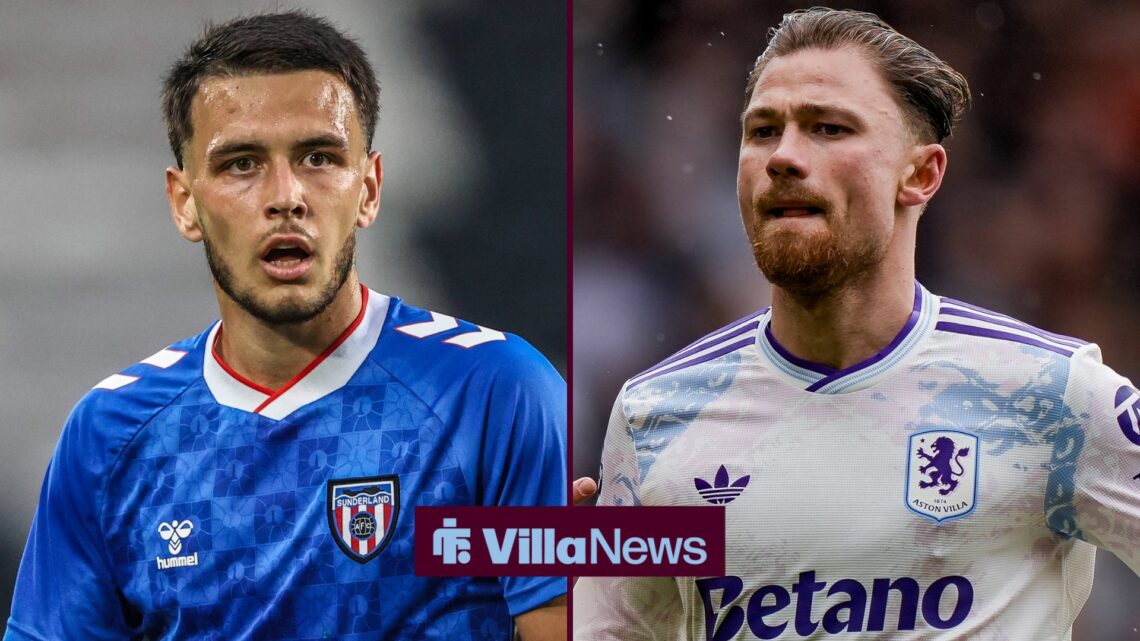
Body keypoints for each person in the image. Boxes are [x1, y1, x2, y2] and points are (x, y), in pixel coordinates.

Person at [573, 7, 1139, 640]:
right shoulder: (656, 416)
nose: (783, 155)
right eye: (762, 131)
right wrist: (534, 591)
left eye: (828, 128)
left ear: (920, 174)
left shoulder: (1054, 396)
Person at [5, 11, 566, 641]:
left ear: (369, 188)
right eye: (241, 164)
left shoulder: (494, 392)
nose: (286, 195)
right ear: (184, 202)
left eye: (319, 157)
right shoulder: (108, 435)